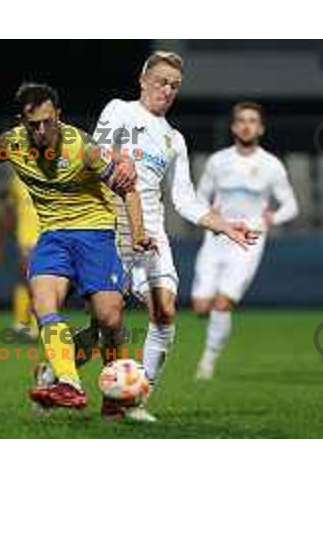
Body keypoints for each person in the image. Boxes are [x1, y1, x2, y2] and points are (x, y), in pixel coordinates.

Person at [0, 82, 155, 414]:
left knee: (109, 321)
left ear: (59, 117)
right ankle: (69, 384)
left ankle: (110, 396)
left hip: (95, 235)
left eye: (47, 122)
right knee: (43, 303)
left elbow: (128, 189)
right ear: (21, 121)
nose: (40, 130)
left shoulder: (83, 147)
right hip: (52, 236)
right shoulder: (13, 143)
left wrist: (138, 233)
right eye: (32, 123)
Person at [91, 51, 259, 421]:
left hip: (152, 236)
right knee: (106, 321)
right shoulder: (119, 110)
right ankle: (57, 372)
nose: (167, 90)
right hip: (110, 230)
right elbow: (97, 155)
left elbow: (184, 199)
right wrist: (117, 164)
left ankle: (134, 396)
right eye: (161, 81)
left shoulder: (174, 140)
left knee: (164, 311)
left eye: (174, 86)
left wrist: (226, 224)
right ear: (143, 79)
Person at [191, 102, 299, 380]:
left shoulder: (271, 165)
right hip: (216, 238)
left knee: (223, 303)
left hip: (248, 242)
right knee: (201, 307)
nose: (246, 125)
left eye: (252, 120)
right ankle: (210, 326)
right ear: (233, 127)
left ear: (260, 128)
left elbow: (291, 206)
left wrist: (272, 218)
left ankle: (207, 362)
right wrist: (208, 212)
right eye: (241, 120)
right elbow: (200, 197)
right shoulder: (218, 161)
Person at [0, 174, 40, 333]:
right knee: (27, 280)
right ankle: (25, 324)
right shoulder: (18, 179)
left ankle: (32, 326)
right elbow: (9, 211)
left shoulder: (58, 175)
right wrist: (0, 241)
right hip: (26, 239)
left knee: (36, 282)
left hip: (49, 237)